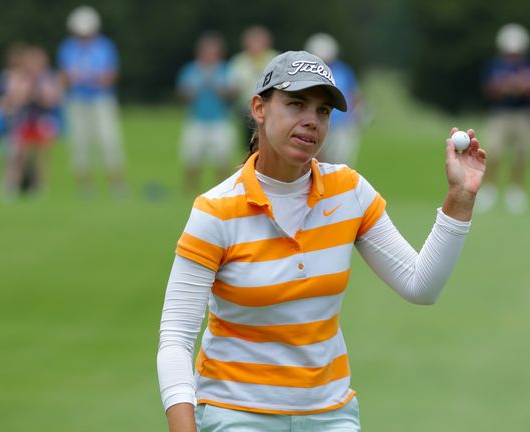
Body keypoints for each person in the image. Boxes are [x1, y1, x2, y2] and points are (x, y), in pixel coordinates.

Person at [157, 50, 487, 432]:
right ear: (259, 109)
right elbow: (176, 340)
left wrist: (460, 199)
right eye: (296, 104)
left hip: (330, 415)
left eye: (323, 111)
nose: (311, 121)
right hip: (237, 414)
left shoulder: (348, 191)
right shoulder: (216, 211)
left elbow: (421, 285)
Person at [58, 5, 127, 197]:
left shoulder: (105, 46)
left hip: (101, 99)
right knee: (79, 143)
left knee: (109, 140)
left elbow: (111, 75)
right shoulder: (68, 47)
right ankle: (85, 187)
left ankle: (117, 185)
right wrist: (73, 78)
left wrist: (92, 78)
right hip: (77, 100)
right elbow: (63, 76)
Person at [477, 23, 530, 214]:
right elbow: (491, 89)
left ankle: (516, 192)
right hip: (500, 114)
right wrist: (515, 85)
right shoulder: (495, 65)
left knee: (522, 154)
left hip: (524, 114)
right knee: (493, 152)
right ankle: (489, 190)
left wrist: (508, 85)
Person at [0, 44, 63, 199]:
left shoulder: (47, 78)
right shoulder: (17, 76)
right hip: (20, 120)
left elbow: (53, 99)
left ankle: (38, 186)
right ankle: (11, 185)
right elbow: (13, 97)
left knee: (40, 155)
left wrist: (39, 93)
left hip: (41, 120)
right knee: (16, 154)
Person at [176, 33, 236, 194]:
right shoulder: (190, 70)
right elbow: (181, 95)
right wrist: (191, 92)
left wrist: (222, 91)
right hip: (196, 120)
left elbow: (233, 93)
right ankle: (189, 192)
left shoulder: (225, 69)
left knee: (222, 160)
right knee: (192, 159)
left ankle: (224, 193)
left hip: (220, 120)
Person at [304, 33, 364, 166]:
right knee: (316, 160)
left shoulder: (344, 70)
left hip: (341, 124)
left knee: (339, 161)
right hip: (315, 122)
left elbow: (354, 94)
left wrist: (357, 115)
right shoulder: (307, 70)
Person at [228, 25, 277, 149]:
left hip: (271, 110)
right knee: (249, 145)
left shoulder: (275, 59)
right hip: (247, 111)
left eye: (259, 41)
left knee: (271, 143)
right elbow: (231, 88)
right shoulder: (239, 61)